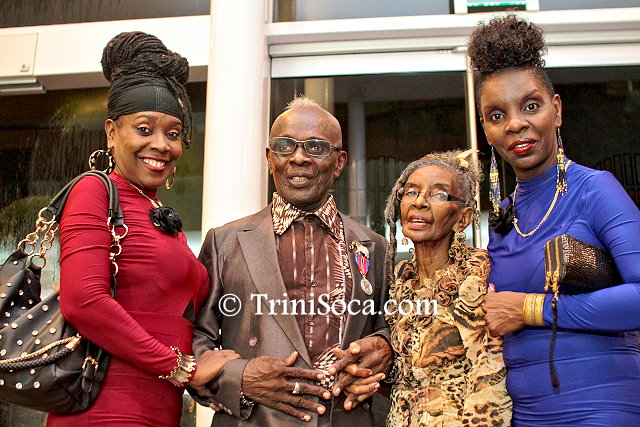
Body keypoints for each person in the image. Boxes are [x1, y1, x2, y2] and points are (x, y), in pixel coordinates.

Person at [47, 31, 238, 426]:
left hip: (157, 409)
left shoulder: (156, 212)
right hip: (107, 408)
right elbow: (84, 302)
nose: (162, 145)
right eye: (144, 129)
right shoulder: (93, 191)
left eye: (173, 133)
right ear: (112, 133)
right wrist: (181, 368)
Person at [468, 14, 640, 425]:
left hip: (600, 408)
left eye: (531, 106)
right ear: (487, 130)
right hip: (523, 415)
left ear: (556, 110)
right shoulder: (502, 218)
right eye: (496, 115)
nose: (515, 124)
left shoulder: (595, 189)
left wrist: (531, 309)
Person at [191, 96, 393, 426]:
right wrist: (240, 377)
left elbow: (392, 327)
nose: (298, 158)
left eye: (315, 147)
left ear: (339, 162)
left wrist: (384, 347)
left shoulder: (373, 245)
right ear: (270, 158)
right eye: (285, 146)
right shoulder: (225, 241)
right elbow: (194, 338)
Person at [381, 150, 511, 426]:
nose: (419, 203)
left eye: (439, 195)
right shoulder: (399, 281)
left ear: (462, 218)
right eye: (411, 192)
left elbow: (491, 383)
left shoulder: (477, 277)